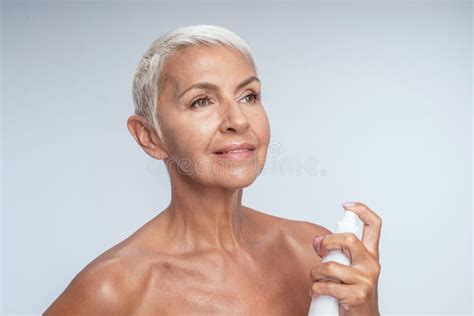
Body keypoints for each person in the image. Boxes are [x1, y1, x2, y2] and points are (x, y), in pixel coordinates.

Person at [44, 24, 382, 315]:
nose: (237, 120)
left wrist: (365, 312)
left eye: (249, 96)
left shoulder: (311, 251)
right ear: (150, 137)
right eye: (201, 101)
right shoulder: (114, 289)